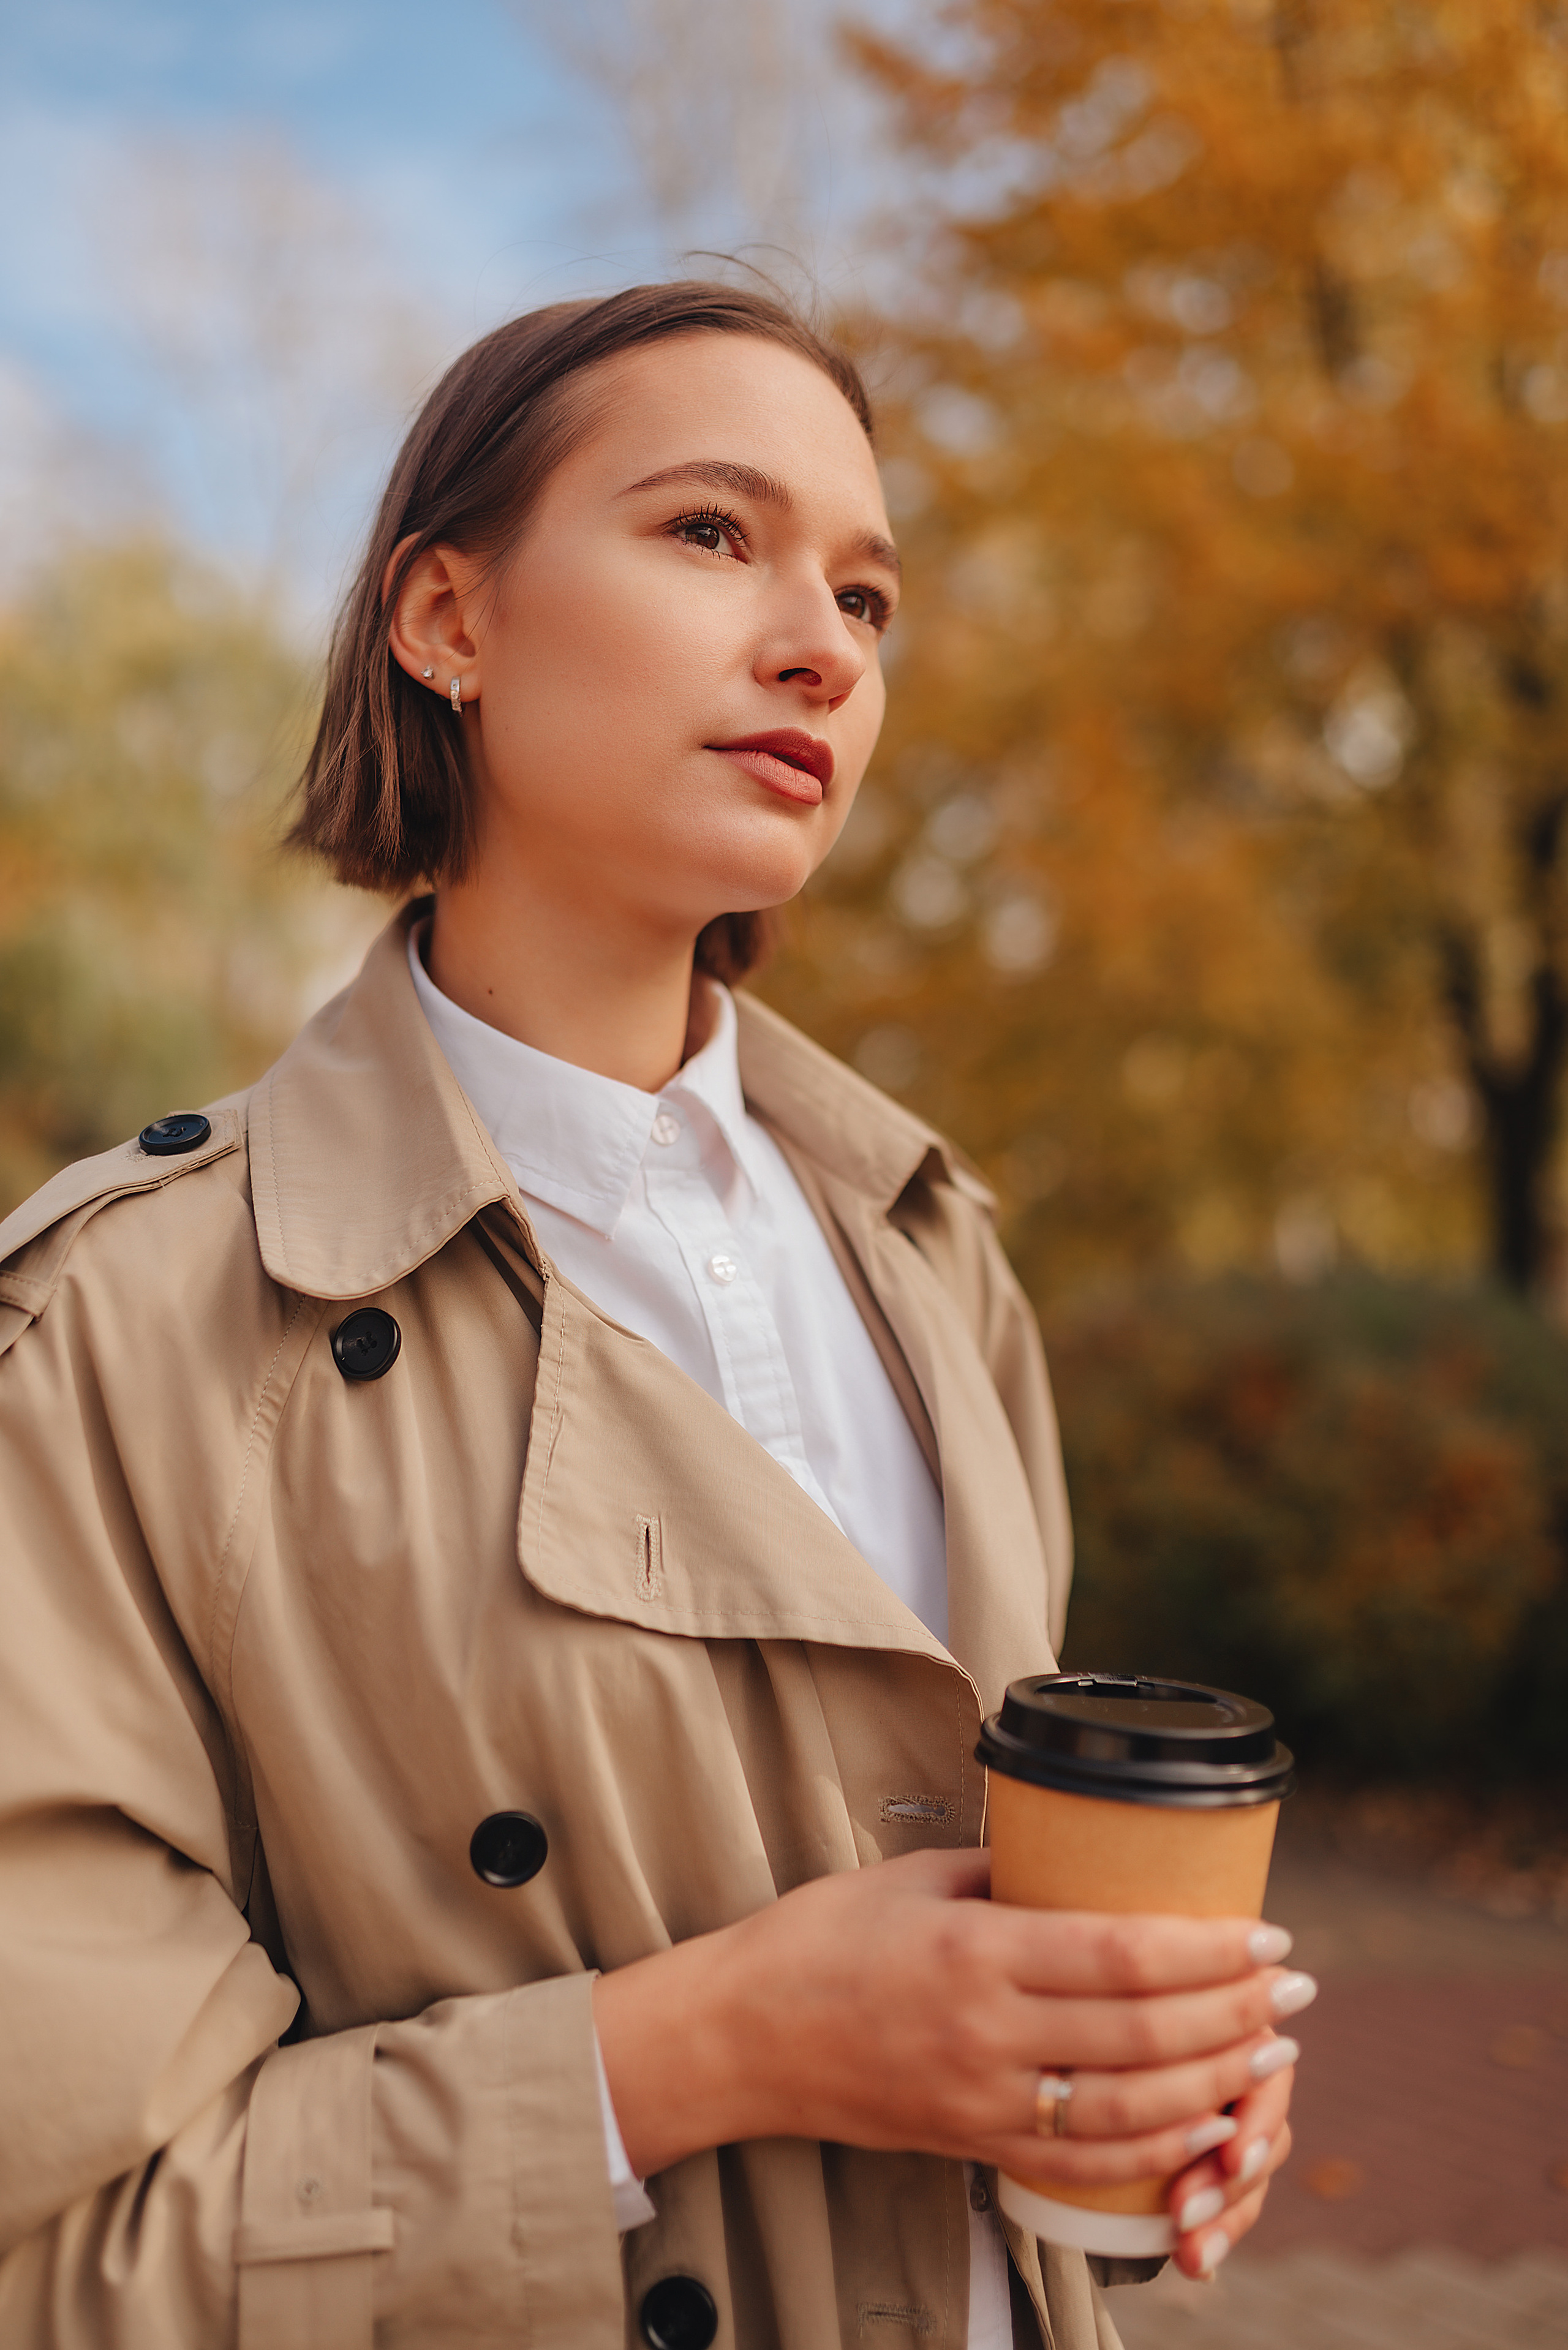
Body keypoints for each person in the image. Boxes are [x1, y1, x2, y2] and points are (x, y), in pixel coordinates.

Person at [0, 282, 1308, 2350]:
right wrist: (713, 2047)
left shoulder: (933, 1249)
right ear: (448, 618)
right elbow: (67, 2263)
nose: (821, 644)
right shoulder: (121, 1332)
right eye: (713, 534)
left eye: (868, 600)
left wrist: (1121, 2088)